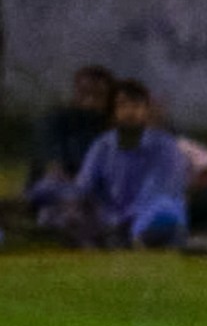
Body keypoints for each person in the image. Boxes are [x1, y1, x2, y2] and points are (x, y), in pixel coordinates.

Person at [57, 78, 190, 250]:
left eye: (136, 106)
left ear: (146, 111)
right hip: (111, 216)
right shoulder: (103, 145)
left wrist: (126, 219)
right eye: (123, 106)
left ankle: (131, 238)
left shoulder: (165, 146)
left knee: (165, 208)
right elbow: (85, 184)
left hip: (150, 215)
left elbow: (159, 190)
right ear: (113, 112)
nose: (130, 112)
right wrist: (74, 205)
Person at [18, 65, 116, 229]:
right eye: (84, 93)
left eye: (98, 96)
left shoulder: (111, 127)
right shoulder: (57, 121)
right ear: (76, 93)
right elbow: (52, 165)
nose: (90, 101)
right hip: (60, 185)